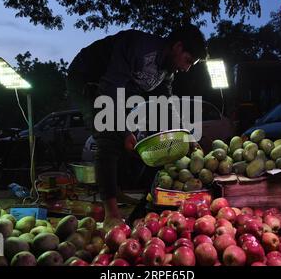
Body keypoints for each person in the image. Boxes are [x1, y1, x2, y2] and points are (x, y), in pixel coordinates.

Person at [67, 24, 207, 230]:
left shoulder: (167, 72)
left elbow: (166, 104)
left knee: (139, 136)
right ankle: (111, 214)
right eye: (188, 61)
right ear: (177, 47)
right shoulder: (138, 47)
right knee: (109, 134)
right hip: (87, 79)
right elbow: (109, 90)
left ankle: (117, 189)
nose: (186, 68)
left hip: (120, 88)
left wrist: (187, 135)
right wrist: (123, 131)